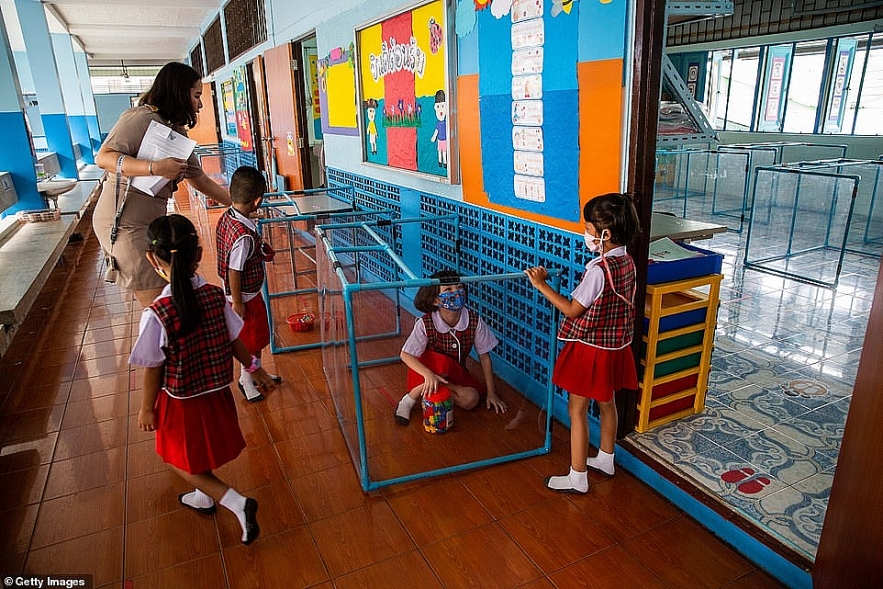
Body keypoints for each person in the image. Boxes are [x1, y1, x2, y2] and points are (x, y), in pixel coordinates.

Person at [129, 214, 277, 545]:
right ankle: (204, 497)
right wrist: (257, 368)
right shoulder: (214, 296)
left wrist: (146, 408)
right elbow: (235, 341)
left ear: (153, 259)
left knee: (177, 458)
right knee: (196, 453)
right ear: (198, 254)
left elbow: (153, 366)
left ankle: (236, 503)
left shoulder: (157, 313)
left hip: (181, 402)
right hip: (214, 392)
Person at [525, 193, 640, 493]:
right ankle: (606, 457)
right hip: (615, 347)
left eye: (589, 228)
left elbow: (573, 309)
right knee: (607, 403)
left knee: (576, 410)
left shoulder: (598, 271)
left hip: (591, 350)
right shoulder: (628, 261)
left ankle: (578, 476)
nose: (586, 234)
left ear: (606, 234)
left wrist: (541, 285)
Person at [93, 61, 232, 308]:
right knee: (161, 303)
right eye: (196, 95)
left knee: (171, 295)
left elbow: (197, 178)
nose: (199, 104)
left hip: (150, 223)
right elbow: (104, 157)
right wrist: (155, 168)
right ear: (178, 92)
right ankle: (162, 344)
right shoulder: (140, 118)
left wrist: (236, 204)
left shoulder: (175, 128)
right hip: (125, 224)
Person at [395, 270, 508, 424]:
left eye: (459, 287)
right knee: (441, 363)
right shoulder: (425, 323)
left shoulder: (474, 321)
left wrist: (491, 392)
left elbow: (484, 357)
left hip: (455, 374)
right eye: (448, 289)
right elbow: (406, 354)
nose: (456, 292)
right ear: (435, 300)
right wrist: (428, 374)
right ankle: (410, 398)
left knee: (472, 399)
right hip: (425, 373)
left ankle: (435, 391)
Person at [215, 166, 282, 402]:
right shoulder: (243, 236)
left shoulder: (230, 217)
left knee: (258, 337)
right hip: (244, 298)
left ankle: (256, 373)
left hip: (247, 296)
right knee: (252, 340)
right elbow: (235, 270)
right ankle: (246, 379)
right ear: (257, 201)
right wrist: (239, 303)